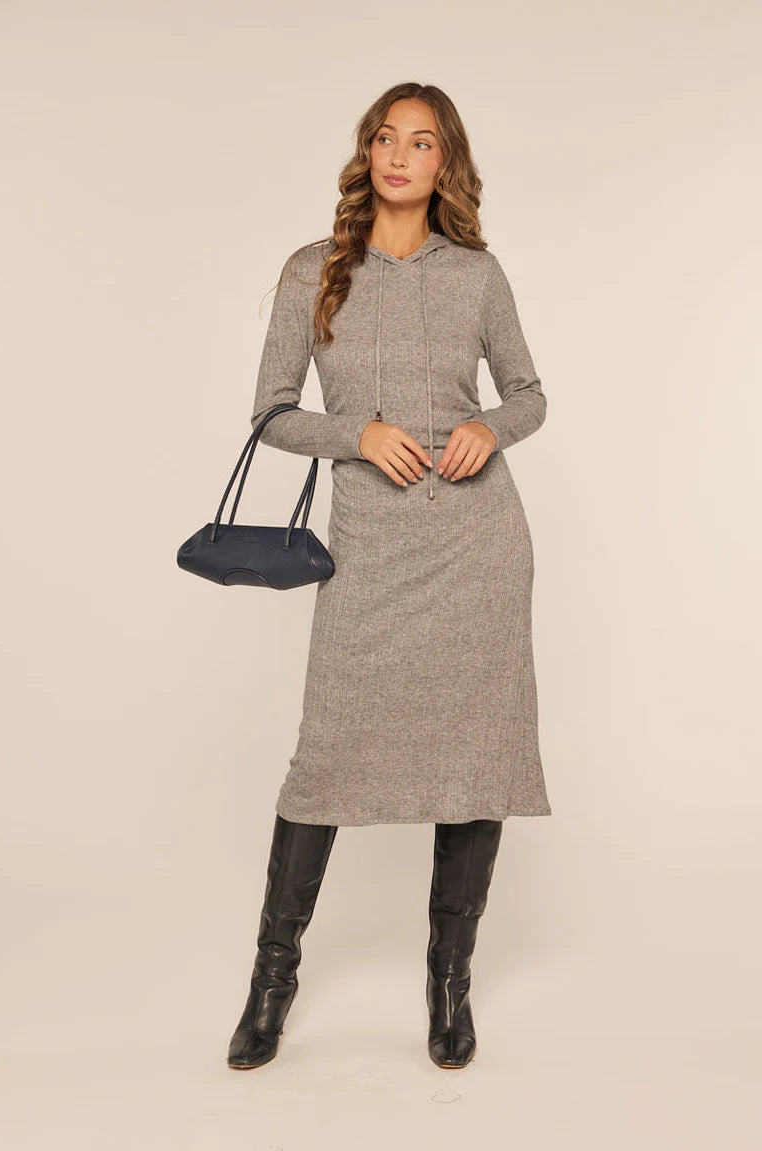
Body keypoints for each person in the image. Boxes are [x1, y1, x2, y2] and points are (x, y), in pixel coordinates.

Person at [227, 82, 551, 1072]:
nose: (400, 155)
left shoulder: (477, 274)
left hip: (475, 546)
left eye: (421, 142)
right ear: (366, 151)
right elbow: (271, 410)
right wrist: (356, 434)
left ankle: (448, 982)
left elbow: (529, 394)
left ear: (445, 162)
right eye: (385, 137)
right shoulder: (313, 269)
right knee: (323, 759)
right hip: (367, 544)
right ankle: (271, 981)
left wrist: (485, 426)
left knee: (477, 757)